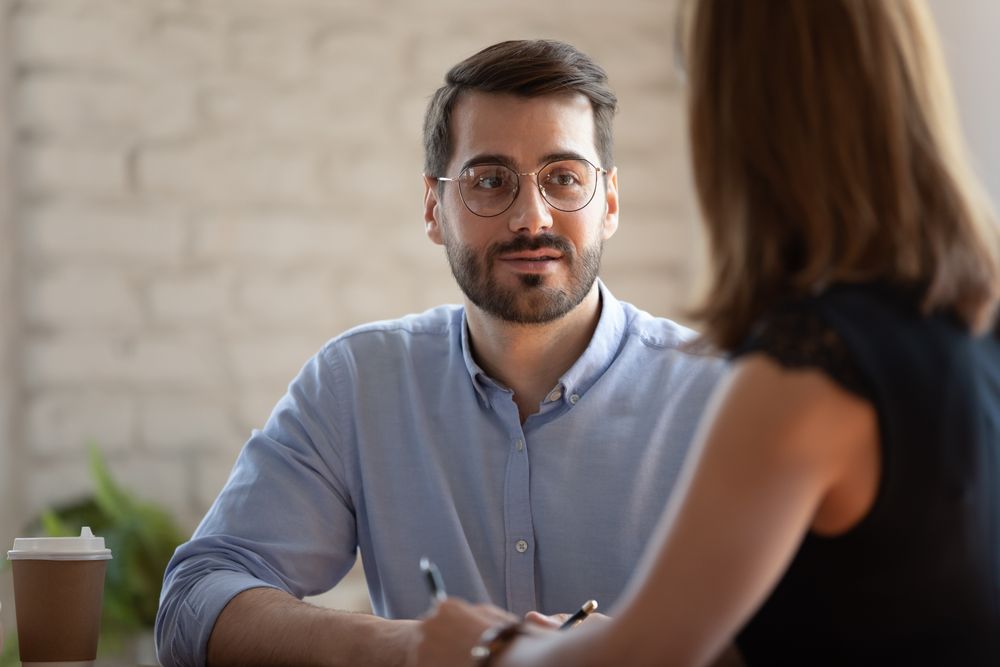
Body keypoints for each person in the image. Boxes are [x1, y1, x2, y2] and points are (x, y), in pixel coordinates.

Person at [412, 1, 1000, 666]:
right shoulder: (970, 321)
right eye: (491, 179)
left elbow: (647, 655)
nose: (530, 216)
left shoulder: (806, 370)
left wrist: (486, 647)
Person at [154, 39, 727, 667]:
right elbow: (194, 601)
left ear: (609, 202)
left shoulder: (718, 393)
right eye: (489, 181)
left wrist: (635, 651)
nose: (530, 218)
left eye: (564, 178)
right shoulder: (358, 383)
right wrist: (408, 646)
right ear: (435, 208)